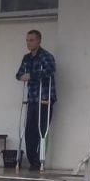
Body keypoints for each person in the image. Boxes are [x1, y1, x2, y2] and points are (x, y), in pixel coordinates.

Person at [15, 29, 57, 171]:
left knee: (42, 131)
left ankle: (40, 160)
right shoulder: (26, 58)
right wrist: (23, 76)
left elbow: (49, 71)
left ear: (39, 41)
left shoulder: (46, 56)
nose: (28, 43)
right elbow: (19, 74)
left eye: (31, 40)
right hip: (32, 99)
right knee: (29, 132)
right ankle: (33, 161)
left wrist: (31, 75)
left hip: (44, 99)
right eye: (27, 40)